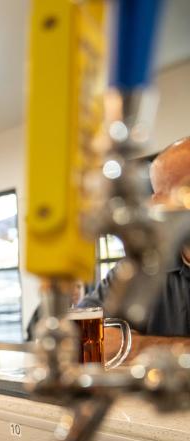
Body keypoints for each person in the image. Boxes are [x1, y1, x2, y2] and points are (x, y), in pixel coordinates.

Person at [78, 137, 190, 359]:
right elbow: (78, 333)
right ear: (157, 204)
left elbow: (112, 344)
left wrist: (137, 346)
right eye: (184, 192)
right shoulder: (144, 266)